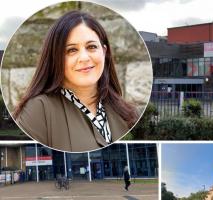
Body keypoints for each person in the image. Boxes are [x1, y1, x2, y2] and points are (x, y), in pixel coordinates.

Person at [13, 11, 139, 152]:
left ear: (104, 52)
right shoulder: (38, 111)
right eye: (71, 50)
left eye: (91, 47)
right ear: (55, 58)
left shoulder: (127, 112)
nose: (84, 58)